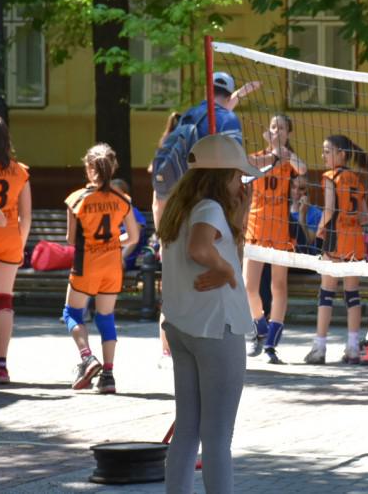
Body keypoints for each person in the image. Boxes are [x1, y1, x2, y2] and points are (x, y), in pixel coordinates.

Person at [157, 133, 262, 494]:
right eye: (237, 177)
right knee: (217, 437)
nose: (241, 185)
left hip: (183, 325)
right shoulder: (209, 208)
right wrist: (225, 270)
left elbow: (218, 246)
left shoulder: (179, 207)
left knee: (187, 430)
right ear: (221, 176)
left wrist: (241, 216)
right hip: (216, 328)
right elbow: (201, 248)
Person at [64, 144, 140, 393]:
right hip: (112, 265)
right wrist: (112, 242)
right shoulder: (123, 199)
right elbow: (133, 236)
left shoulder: (77, 199)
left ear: (88, 168)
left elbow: (70, 239)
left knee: (72, 313)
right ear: (113, 167)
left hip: (86, 264)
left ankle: (87, 358)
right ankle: (108, 376)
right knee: (106, 318)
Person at [151, 73, 258, 229]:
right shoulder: (229, 119)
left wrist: (240, 94)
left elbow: (213, 113)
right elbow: (236, 162)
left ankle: (162, 243)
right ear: (228, 97)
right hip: (208, 194)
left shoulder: (190, 114)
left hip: (181, 189)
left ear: (206, 90)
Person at [244, 114, 307, 364]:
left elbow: (302, 168)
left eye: (281, 127)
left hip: (280, 230)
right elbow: (247, 163)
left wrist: (282, 151)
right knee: (248, 286)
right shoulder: (258, 156)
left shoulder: (290, 161)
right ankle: (259, 325)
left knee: (278, 286)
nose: (276, 130)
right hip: (256, 227)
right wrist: (272, 152)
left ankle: (271, 344)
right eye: (272, 126)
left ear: (288, 133)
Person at [305, 135, 368, 365]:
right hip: (354, 242)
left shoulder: (330, 178)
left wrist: (319, 231)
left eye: (327, 151)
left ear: (341, 154)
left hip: (335, 241)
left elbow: (329, 209)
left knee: (326, 293)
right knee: (352, 294)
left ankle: (319, 348)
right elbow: (364, 216)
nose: (323, 155)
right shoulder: (357, 179)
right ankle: (353, 348)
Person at [0, 111, 31, 385]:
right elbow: (26, 216)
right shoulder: (20, 171)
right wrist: (19, 247)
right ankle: (1, 366)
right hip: (10, 237)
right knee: (2, 300)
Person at [110, 179, 149, 270]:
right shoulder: (108, 214)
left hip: (128, 256)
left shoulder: (133, 212)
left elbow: (135, 236)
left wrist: (121, 256)